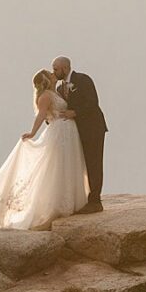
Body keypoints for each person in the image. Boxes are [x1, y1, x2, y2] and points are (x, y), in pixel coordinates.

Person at [0, 69, 89, 230]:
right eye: (50, 74)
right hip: (59, 132)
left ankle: (71, 201)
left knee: (68, 164)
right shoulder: (45, 96)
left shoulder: (56, 92)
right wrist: (32, 132)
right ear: (46, 80)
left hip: (68, 131)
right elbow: (41, 115)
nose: (54, 75)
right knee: (57, 166)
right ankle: (56, 205)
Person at [52, 55, 107, 213]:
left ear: (65, 68)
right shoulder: (59, 88)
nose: (53, 72)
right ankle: (82, 198)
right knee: (79, 164)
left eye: (56, 69)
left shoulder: (83, 80)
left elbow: (92, 103)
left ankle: (95, 201)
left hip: (93, 128)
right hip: (76, 133)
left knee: (94, 163)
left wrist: (75, 112)